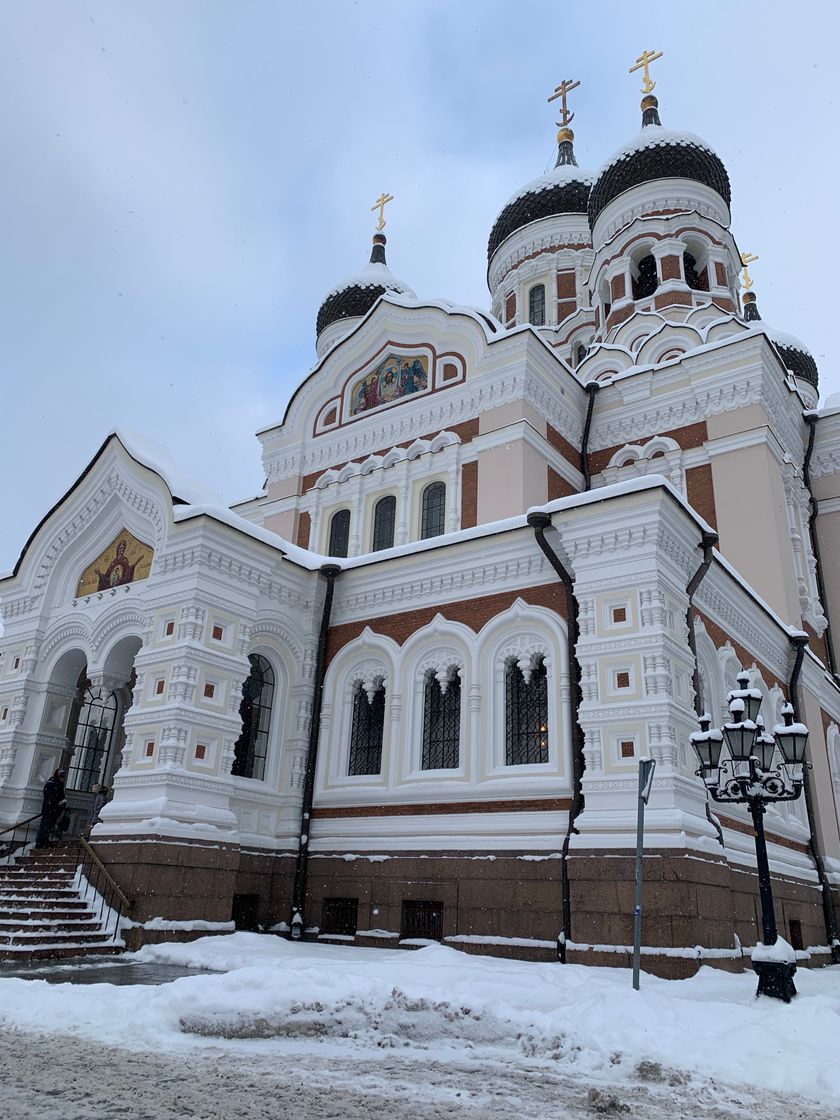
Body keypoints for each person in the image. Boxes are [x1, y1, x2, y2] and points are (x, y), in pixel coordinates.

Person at [34, 768, 67, 848]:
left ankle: (44, 840)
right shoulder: (52, 784)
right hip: (49, 809)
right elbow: (49, 797)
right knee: (46, 825)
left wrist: (62, 802)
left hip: (53, 809)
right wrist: (57, 803)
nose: (62, 779)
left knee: (49, 825)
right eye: (61, 776)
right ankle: (40, 841)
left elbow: (59, 795)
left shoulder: (58, 784)